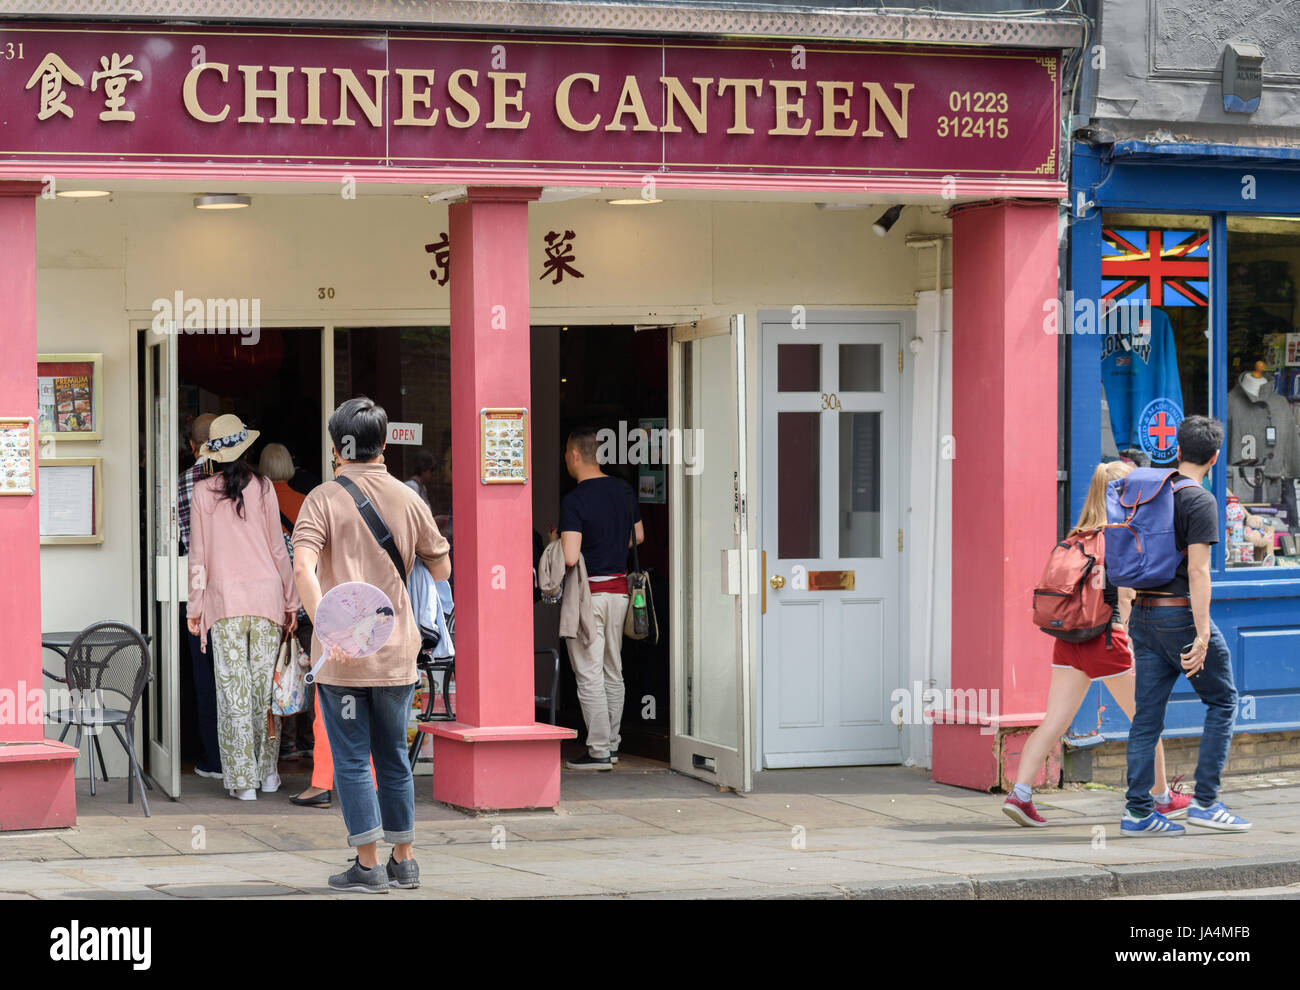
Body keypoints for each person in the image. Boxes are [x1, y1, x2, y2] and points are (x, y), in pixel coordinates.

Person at [292, 396, 450, 893]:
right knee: (393, 757)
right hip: (397, 651)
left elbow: (303, 568)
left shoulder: (321, 499)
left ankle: (367, 865)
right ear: (383, 445)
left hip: (343, 660)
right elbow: (442, 567)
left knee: (354, 761)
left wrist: (327, 626)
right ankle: (405, 861)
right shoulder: (410, 499)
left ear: (337, 447)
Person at [1002, 460, 1187, 826]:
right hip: (1105, 639)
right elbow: (1126, 597)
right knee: (1147, 721)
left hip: (1068, 638)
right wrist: (1132, 639)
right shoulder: (1122, 537)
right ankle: (1162, 797)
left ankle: (1019, 795)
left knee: (1054, 720)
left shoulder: (1076, 537)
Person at [1122, 415, 1251, 835]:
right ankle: (1206, 802)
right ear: (1215, 457)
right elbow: (1198, 571)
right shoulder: (1200, 500)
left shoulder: (1151, 490)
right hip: (1179, 614)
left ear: (1176, 450)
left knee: (1146, 718)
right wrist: (1200, 633)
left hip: (1143, 612)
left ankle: (1138, 812)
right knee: (1223, 701)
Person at [186, 414, 300, 801]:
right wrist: (291, 601)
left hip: (225, 602)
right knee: (262, 694)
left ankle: (242, 781)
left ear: (213, 455)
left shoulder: (202, 493)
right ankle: (268, 773)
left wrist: (195, 609)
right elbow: (277, 549)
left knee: (232, 695)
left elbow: (198, 559)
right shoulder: (265, 487)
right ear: (246, 448)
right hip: (267, 599)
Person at [547, 425, 644, 771]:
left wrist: (556, 539)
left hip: (590, 597)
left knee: (588, 673)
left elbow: (570, 557)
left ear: (574, 455)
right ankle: (613, 745)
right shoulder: (623, 490)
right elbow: (639, 535)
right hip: (620, 594)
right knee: (612, 671)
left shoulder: (576, 500)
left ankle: (599, 750)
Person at [259, 442, 312, 761]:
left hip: (274, 601)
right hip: (306, 598)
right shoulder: (305, 501)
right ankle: (308, 737)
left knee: (280, 671)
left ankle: (285, 740)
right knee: (307, 668)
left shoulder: (259, 505)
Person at [178, 412, 221, 781]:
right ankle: (251, 762)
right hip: (242, 594)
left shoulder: (183, 483)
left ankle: (214, 758)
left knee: (205, 678)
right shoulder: (251, 483)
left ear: (192, 446)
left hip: (198, 594)